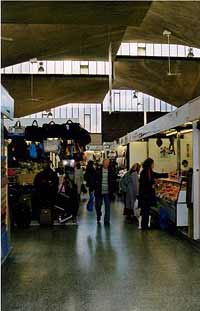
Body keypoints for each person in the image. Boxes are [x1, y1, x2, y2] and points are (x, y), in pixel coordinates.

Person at [138, 158, 168, 230]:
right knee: (145, 211)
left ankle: (144, 225)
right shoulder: (144, 172)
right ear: (149, 164)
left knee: (146, 210)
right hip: (145, 195)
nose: (153, 165)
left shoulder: (148, 171)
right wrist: (152, 185)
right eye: (152, 164)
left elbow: (156, 175)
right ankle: (144, 226)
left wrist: (167, 174)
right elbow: (144, 184)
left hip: (147, 195)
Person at [94, 159, 117, 226]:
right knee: (98, 205)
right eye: (105, 163)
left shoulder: (111, 171)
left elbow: (113, 181)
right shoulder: (98, 170)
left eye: (108, 163)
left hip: (108, 192)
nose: (107, 164)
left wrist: (113, 189)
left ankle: (106, 220)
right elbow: (94, 179)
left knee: (107, 207)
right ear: (103, 163)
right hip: (99, 191)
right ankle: (99, 214)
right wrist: (94, 187)